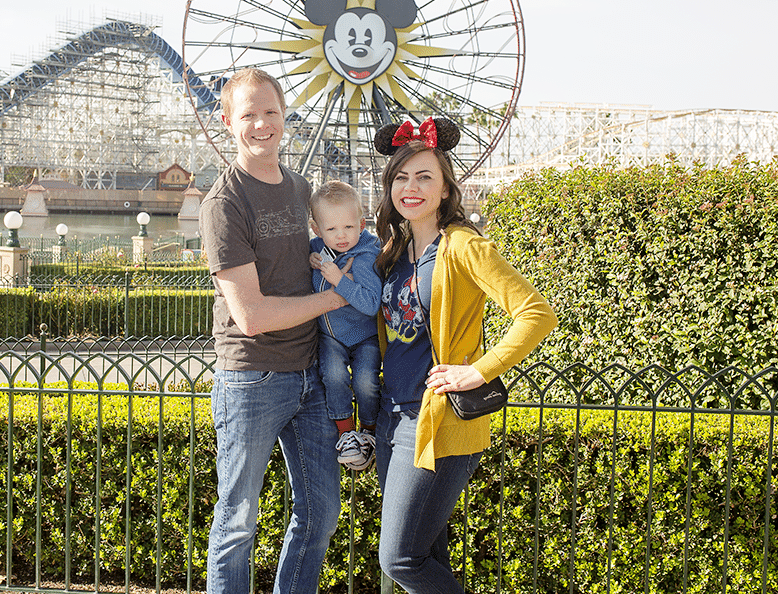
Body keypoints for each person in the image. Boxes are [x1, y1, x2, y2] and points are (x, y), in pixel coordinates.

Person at [372, 117, 557, 593]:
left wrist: (477, 370)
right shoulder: (393, 250)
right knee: (426, 554)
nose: (410, 188)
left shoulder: (464, 246)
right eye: (401, 177)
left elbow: (536, 313)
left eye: (424, 177)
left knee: (400, 558)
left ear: (446, 189)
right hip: (393, 415)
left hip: (437, 420)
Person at [199, 68, 347, 594]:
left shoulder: (298, 187)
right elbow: (252, 317)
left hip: (310, 376)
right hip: (253, 378)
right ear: (226, 122)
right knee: (238, 520)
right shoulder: (224, 204)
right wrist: (335, 297)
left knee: (321, 514)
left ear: (285, 117)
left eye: (270, 113)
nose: (261, 124)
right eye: (248, 115)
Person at [308, 180, 383, 471]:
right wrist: (310, 257)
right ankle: (346, 434)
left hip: (364, 337)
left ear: (362, 224)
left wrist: (340, 281)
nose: (341, 236)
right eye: (331, 230)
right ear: (317, 230)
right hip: (330, 336)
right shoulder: (317, 248)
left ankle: (369, 431)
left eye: (349, 228)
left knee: (366, 382)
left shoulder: (365, 257)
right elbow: (308, 256)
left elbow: (371, 303)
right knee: (334, 377)